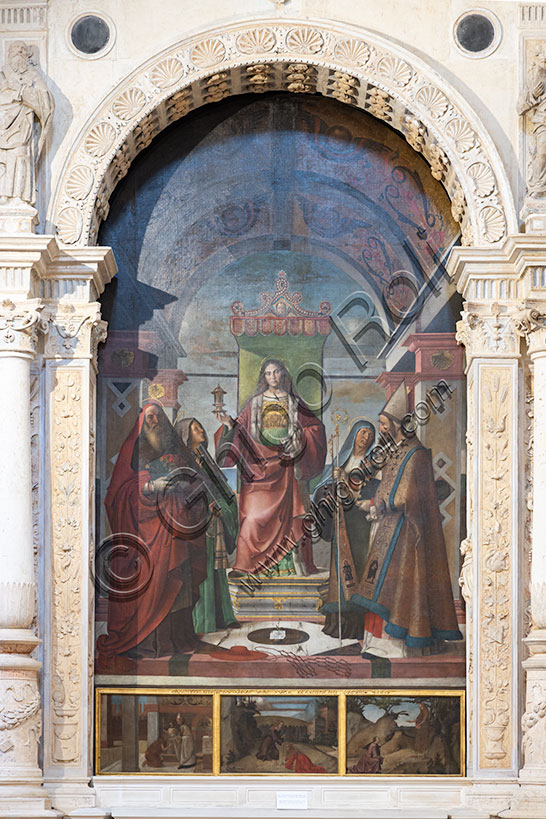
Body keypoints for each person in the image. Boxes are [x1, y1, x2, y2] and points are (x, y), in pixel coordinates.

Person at [350, 383, 462, 658]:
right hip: (387, 527)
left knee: (396, 587)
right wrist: (373, 502)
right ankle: (375, 642)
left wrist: (376, 503)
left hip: (406, 533)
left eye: (385, 424)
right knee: (379, 583)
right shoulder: (395, 451)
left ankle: (394, 646)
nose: (382, 429)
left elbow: (406, 497)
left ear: (399, 425)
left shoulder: (416, 454)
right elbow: (387, 485)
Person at [97, 402, 207, 660]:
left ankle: (178, 639)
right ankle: (151, 644)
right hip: (147, 532)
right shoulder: (134, 450)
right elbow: (118, 494)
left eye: (159, 417)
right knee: (154, 582)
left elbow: (195, 482)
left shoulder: (174, 450)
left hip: (176, 528)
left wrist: (185, 486)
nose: (155, 421)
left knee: (177, 579)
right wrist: (150, 487)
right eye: (150, 417)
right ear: (142, 422)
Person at [215, 359, 326, 576]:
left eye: (276, 372)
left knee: (288, 519)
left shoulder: (295, 403)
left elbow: (315, 428)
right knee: (252, 518)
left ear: (283, 374)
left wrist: (298, 438)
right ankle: (249, 566)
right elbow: (240, 430)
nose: (272, 377)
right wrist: (230, 425)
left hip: (286, 467)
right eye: (268, 374)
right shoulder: (255, 403)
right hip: (257, 469)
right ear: (263, 377)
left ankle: (285, 568)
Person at [312, 420, 379, 639]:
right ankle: (337, 624)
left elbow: (373, 491)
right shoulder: (342, 460)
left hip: (361, 522)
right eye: (362, 433)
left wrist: (347, 482)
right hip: (342, 521)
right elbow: (322, 489)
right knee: (340, 570)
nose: (366, 437)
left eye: (369, 434)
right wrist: (332, 483)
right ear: (353, 436)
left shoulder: (372, 463)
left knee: (358, 568)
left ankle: (357, 624)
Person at [174, 416, 239, 633]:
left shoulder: (203, 457)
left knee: (216, 571)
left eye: (201, 426)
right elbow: (182, 493)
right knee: (202, 571)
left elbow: (218, 484)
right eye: (195, 428)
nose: (201, 430)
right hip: (196, 523)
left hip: (213, 519)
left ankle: (223, 617)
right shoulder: (182, 461)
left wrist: (224, 506)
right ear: (185, 434)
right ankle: (204, 620)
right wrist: (205, 507)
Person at [0, 41, 54, 204]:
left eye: (22, 51)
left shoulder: (32, 76)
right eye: (15, 51)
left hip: (22, 127)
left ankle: (18, 197)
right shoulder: (3, 75)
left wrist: (23, 93)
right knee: (5, 161)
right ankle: (3, 196)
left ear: (26, 56)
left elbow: (46, 102)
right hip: (3, 126)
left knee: (20, 157)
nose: (18, 54)